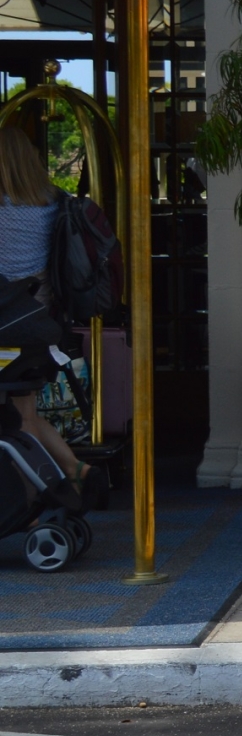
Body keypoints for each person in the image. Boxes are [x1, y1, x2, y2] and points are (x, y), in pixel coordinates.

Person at [0, 124, 98, 498]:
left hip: (3, 323)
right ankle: (75, 469)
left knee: (15, 420)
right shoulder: (54, 201)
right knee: (25, 414)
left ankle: (29, 496)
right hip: (36, 323)